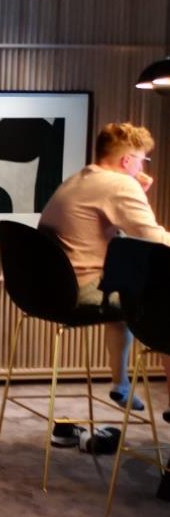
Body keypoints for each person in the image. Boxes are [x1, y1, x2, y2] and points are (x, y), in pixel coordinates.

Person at [39, 122, 170, 426]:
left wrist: (137, 191)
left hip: (50, 288)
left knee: (127, 296)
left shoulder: (80, 178)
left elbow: (122, 230)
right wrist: (133, 189)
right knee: (165, 307)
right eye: (142, 159)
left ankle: (119, 383)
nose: (142, 166)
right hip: (84, 288)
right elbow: (152, 237)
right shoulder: (119, 185)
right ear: (127, 160)